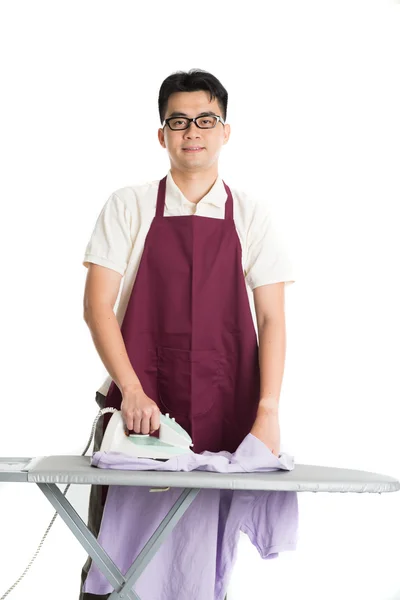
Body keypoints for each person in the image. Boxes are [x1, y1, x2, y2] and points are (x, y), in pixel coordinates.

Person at [79, 68, 296, 600]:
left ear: (225, 130)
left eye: (205, 119)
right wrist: (131, 390)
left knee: (201, 560)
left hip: (226, 412)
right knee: (119, 555)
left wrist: (267, 412)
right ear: (162, 134)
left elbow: (272, 319)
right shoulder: (128, 206)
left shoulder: (251, 215)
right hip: (143, 414)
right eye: (178, 121)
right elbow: (96, 308)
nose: (192, 131)